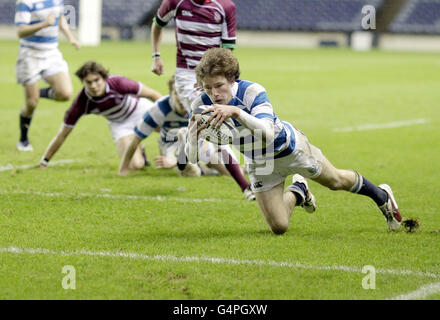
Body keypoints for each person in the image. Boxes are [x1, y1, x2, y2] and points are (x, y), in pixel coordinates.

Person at [186, 48, 402, 234]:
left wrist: (235, 112)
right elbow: (193, 158)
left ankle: (381, 195)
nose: (214, 94)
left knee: (336, 181)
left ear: (232, 79)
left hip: (289, 149)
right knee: (279, 227)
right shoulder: (200, 106)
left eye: (219, 85)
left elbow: (268, 133)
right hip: (261, 164)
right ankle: (299, 191)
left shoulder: (252, 92)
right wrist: (192, 137)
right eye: (207, 87)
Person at [119, 75, 256, 201]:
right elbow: (136, 138)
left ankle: (203, 166)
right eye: (176, 94)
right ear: (170, 94)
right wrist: (123, 169)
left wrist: (199, 152)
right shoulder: (160, 108)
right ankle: (188, 162)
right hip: (171, 146)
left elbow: (209, 138)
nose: (180, 99)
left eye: (183, 96)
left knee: (225, 171)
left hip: (201, 143)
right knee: (191, 172)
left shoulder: (200, 105)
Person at [39, 61, 162, 170]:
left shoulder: (119, 83)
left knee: (170, 129)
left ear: (104, 78)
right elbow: (63, 133)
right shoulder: (81, 102)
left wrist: (172, 115)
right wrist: (45, 160)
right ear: (83, 82)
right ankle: (141, 151)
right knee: (135, 166)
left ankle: (176, 155)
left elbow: (153, 94)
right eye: (88, 82)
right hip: (120, 124)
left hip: (139, 110)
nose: (93, 86)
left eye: (96, 80)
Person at [15, 0, 81, 152]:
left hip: (51, 53)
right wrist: (43, 24)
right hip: (30, 55)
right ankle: (23, 139)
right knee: (31, 104)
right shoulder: (25, 3)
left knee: (65, 93)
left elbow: (60, 18)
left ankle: (36, 93)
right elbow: (20, 31)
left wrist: (71, 37)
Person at [151, 0, 236, 113]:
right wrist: (156, 57)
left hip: (214, 72)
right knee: (201, 113)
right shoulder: (175, 2)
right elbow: (157, 25)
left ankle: (184, 131)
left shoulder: (226, 6)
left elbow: (227, 50)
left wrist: (219, 76)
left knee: (226, 114)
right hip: (187, 73)